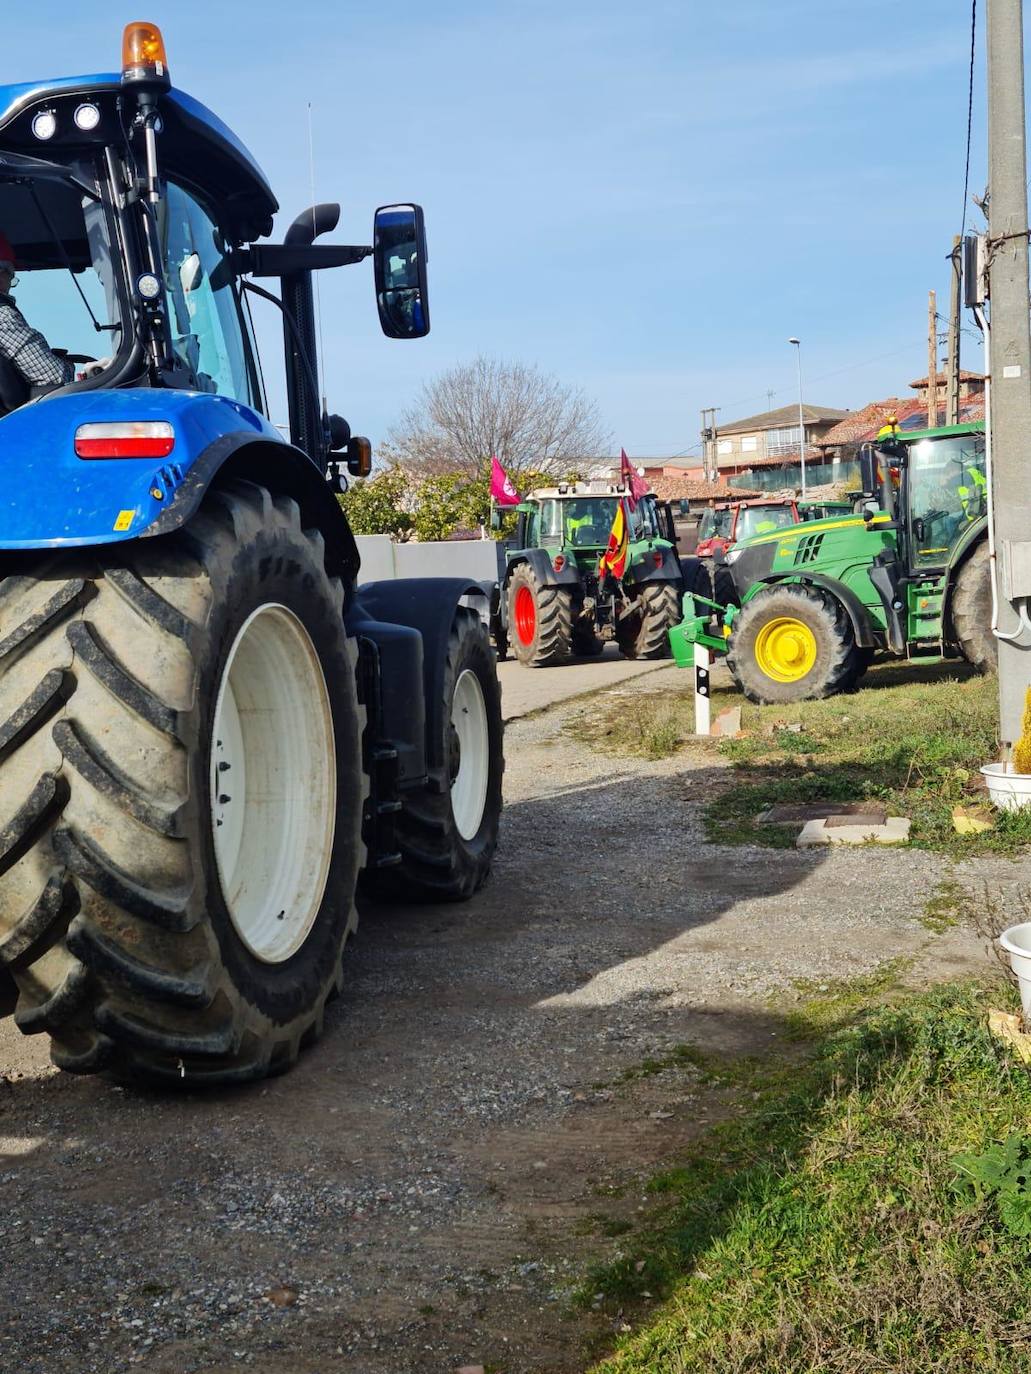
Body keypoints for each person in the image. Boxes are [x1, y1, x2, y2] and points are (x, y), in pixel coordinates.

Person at [0, 233, 73, 393]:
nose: (9, 286)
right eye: (10, 276)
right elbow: (55, 377)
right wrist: (71, 366)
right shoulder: (3, 316)